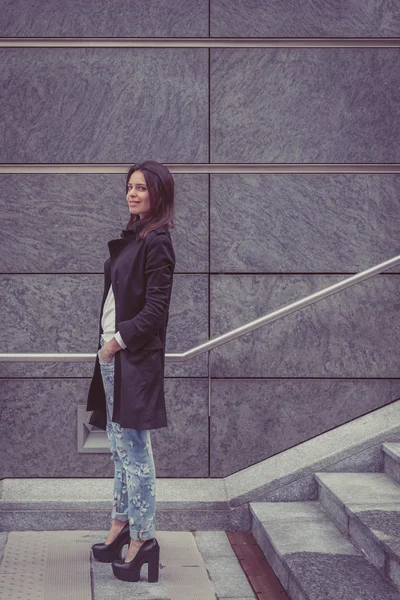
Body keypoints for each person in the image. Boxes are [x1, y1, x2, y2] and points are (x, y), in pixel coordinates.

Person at [86, 160, 176, 583]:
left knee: (135, 453)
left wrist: (116, 342)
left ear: (158, 194)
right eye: (130, 187)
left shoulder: (158, 241)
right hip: (114, 358)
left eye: (141, 188)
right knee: (121, 452)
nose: (133, 193)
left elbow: (156, 311)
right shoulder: (136, 236)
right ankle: (121, 525)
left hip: (132, 359)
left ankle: (144, 538)